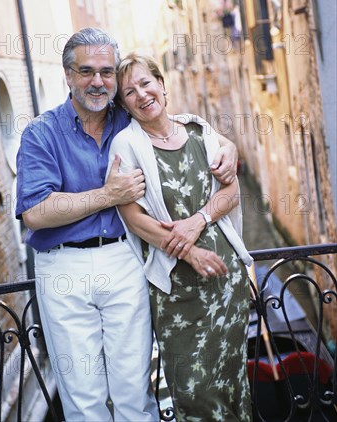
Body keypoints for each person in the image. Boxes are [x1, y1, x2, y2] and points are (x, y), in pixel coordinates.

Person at [15, 28, 238, 422]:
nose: (98, 81)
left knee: (135, 389)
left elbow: (186, 127)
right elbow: (35, 211)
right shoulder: (41, 133)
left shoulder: (130, 118)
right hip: (64, 266)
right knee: (85, 397)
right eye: (86, 71)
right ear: (68, 75)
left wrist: (229, 148)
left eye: (106, 71)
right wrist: (107, 194)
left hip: (125, 257)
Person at [108, 53, 254, 422]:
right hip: (176, 291)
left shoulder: (199, 131)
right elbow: (133, 217)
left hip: (225, 281)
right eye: (129, 92)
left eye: (146, 83)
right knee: (193, 394)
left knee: (233, 383)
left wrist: (198, 220)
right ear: (124, 104)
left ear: (161, 84)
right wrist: (190, 253)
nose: (141, 94)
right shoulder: (126, 145)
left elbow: (231, 191)